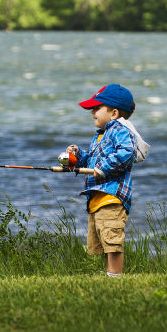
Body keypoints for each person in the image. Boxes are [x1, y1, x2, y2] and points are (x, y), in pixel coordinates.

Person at [66, 84, 149, 277]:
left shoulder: (120, 130)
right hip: (97, 197)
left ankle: (115, 279)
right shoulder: (100, 136)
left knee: (112, 242)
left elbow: (126, 153)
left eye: (97, 108)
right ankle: (110, 276)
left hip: (112, 196)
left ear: (113, 113)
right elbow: (92, 161)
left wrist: (102, 169)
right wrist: (77, 156)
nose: (92, 112)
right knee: (103, 243)